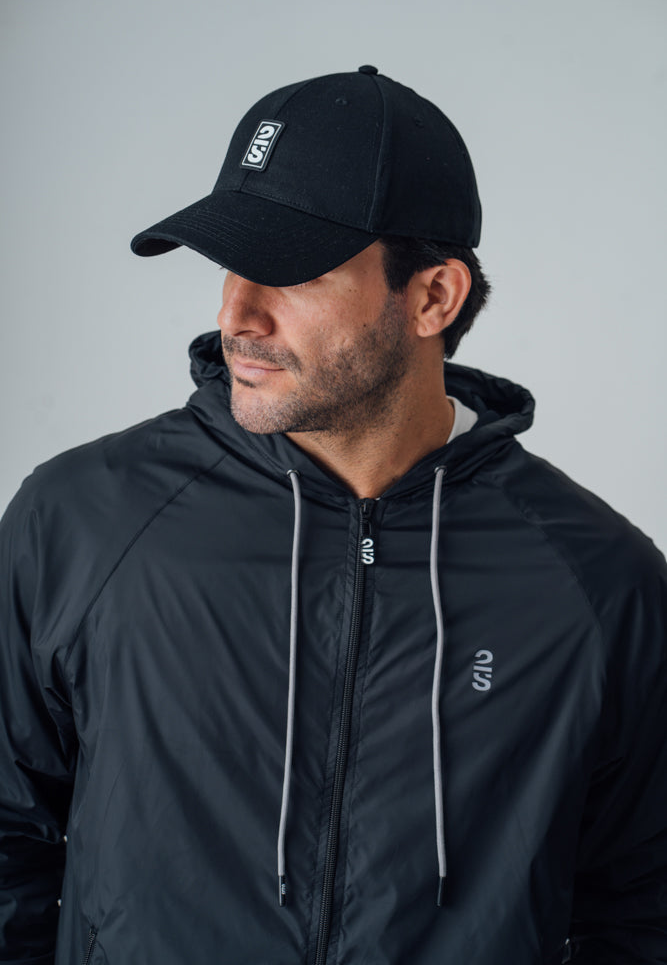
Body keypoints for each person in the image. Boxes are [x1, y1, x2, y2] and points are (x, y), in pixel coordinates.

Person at [0, 65, 665, 965]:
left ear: (432, 297)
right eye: (230, 265)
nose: (238, 314)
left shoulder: (596, 581)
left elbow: (640, 909)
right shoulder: (82, 521)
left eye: (290, 272)